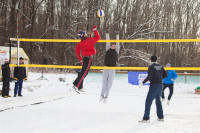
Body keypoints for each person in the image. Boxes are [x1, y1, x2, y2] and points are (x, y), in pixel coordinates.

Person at [139, 55, 167, 123]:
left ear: (150, 60)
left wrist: (143, 82)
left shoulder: (151, 67)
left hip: (154, 85)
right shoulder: (160, 66)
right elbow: (165, 75)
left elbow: (150, 76)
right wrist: (159, 78)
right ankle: (161, 117)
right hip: (160, 85)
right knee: (158, 101)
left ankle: (146, 118)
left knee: (148, 101)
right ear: (156, 59)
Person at [73, 25, 100, 92]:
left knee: (83, 73)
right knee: (84, 73)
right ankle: (76, 85)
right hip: (88, 58)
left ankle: (79, 87)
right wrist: (95, 30)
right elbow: (98, 38)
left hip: (85, 58)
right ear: (84, 35)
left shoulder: (80, 43)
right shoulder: (89, 40)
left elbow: (77, 51)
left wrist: (81, 60)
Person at [100, 32, 119, 103]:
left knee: (109, 83)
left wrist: (117, 35)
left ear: (115, 46)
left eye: (114, 45)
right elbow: (107, 42)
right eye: (112, 45)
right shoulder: (107, 49)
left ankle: (106, 96)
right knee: (104, 82)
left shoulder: (117, 51)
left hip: (112, 68)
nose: (112, 46)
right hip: (106, 67)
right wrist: (107, 34)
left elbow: (118, 43)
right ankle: (101, 95)